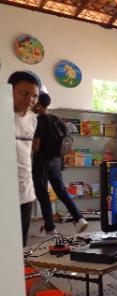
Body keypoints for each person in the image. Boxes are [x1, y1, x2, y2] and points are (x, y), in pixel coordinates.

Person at [32, 92, 88, 235]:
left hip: (41, 161)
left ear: (39, 105)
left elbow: (36, 146)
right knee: (62, 192)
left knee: (43, 194)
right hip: (56, 161)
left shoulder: (39, 121)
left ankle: (50, 228)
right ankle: (79, 219)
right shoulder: (57, 119)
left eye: (34, 101)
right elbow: (65, 141)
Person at [9, 71, 40, 246]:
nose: (30, 99)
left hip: (25, 192)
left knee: (20, 245)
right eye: (24, 93)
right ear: (9, 90)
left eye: (34, 96)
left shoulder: (32, 118)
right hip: (5, 193)